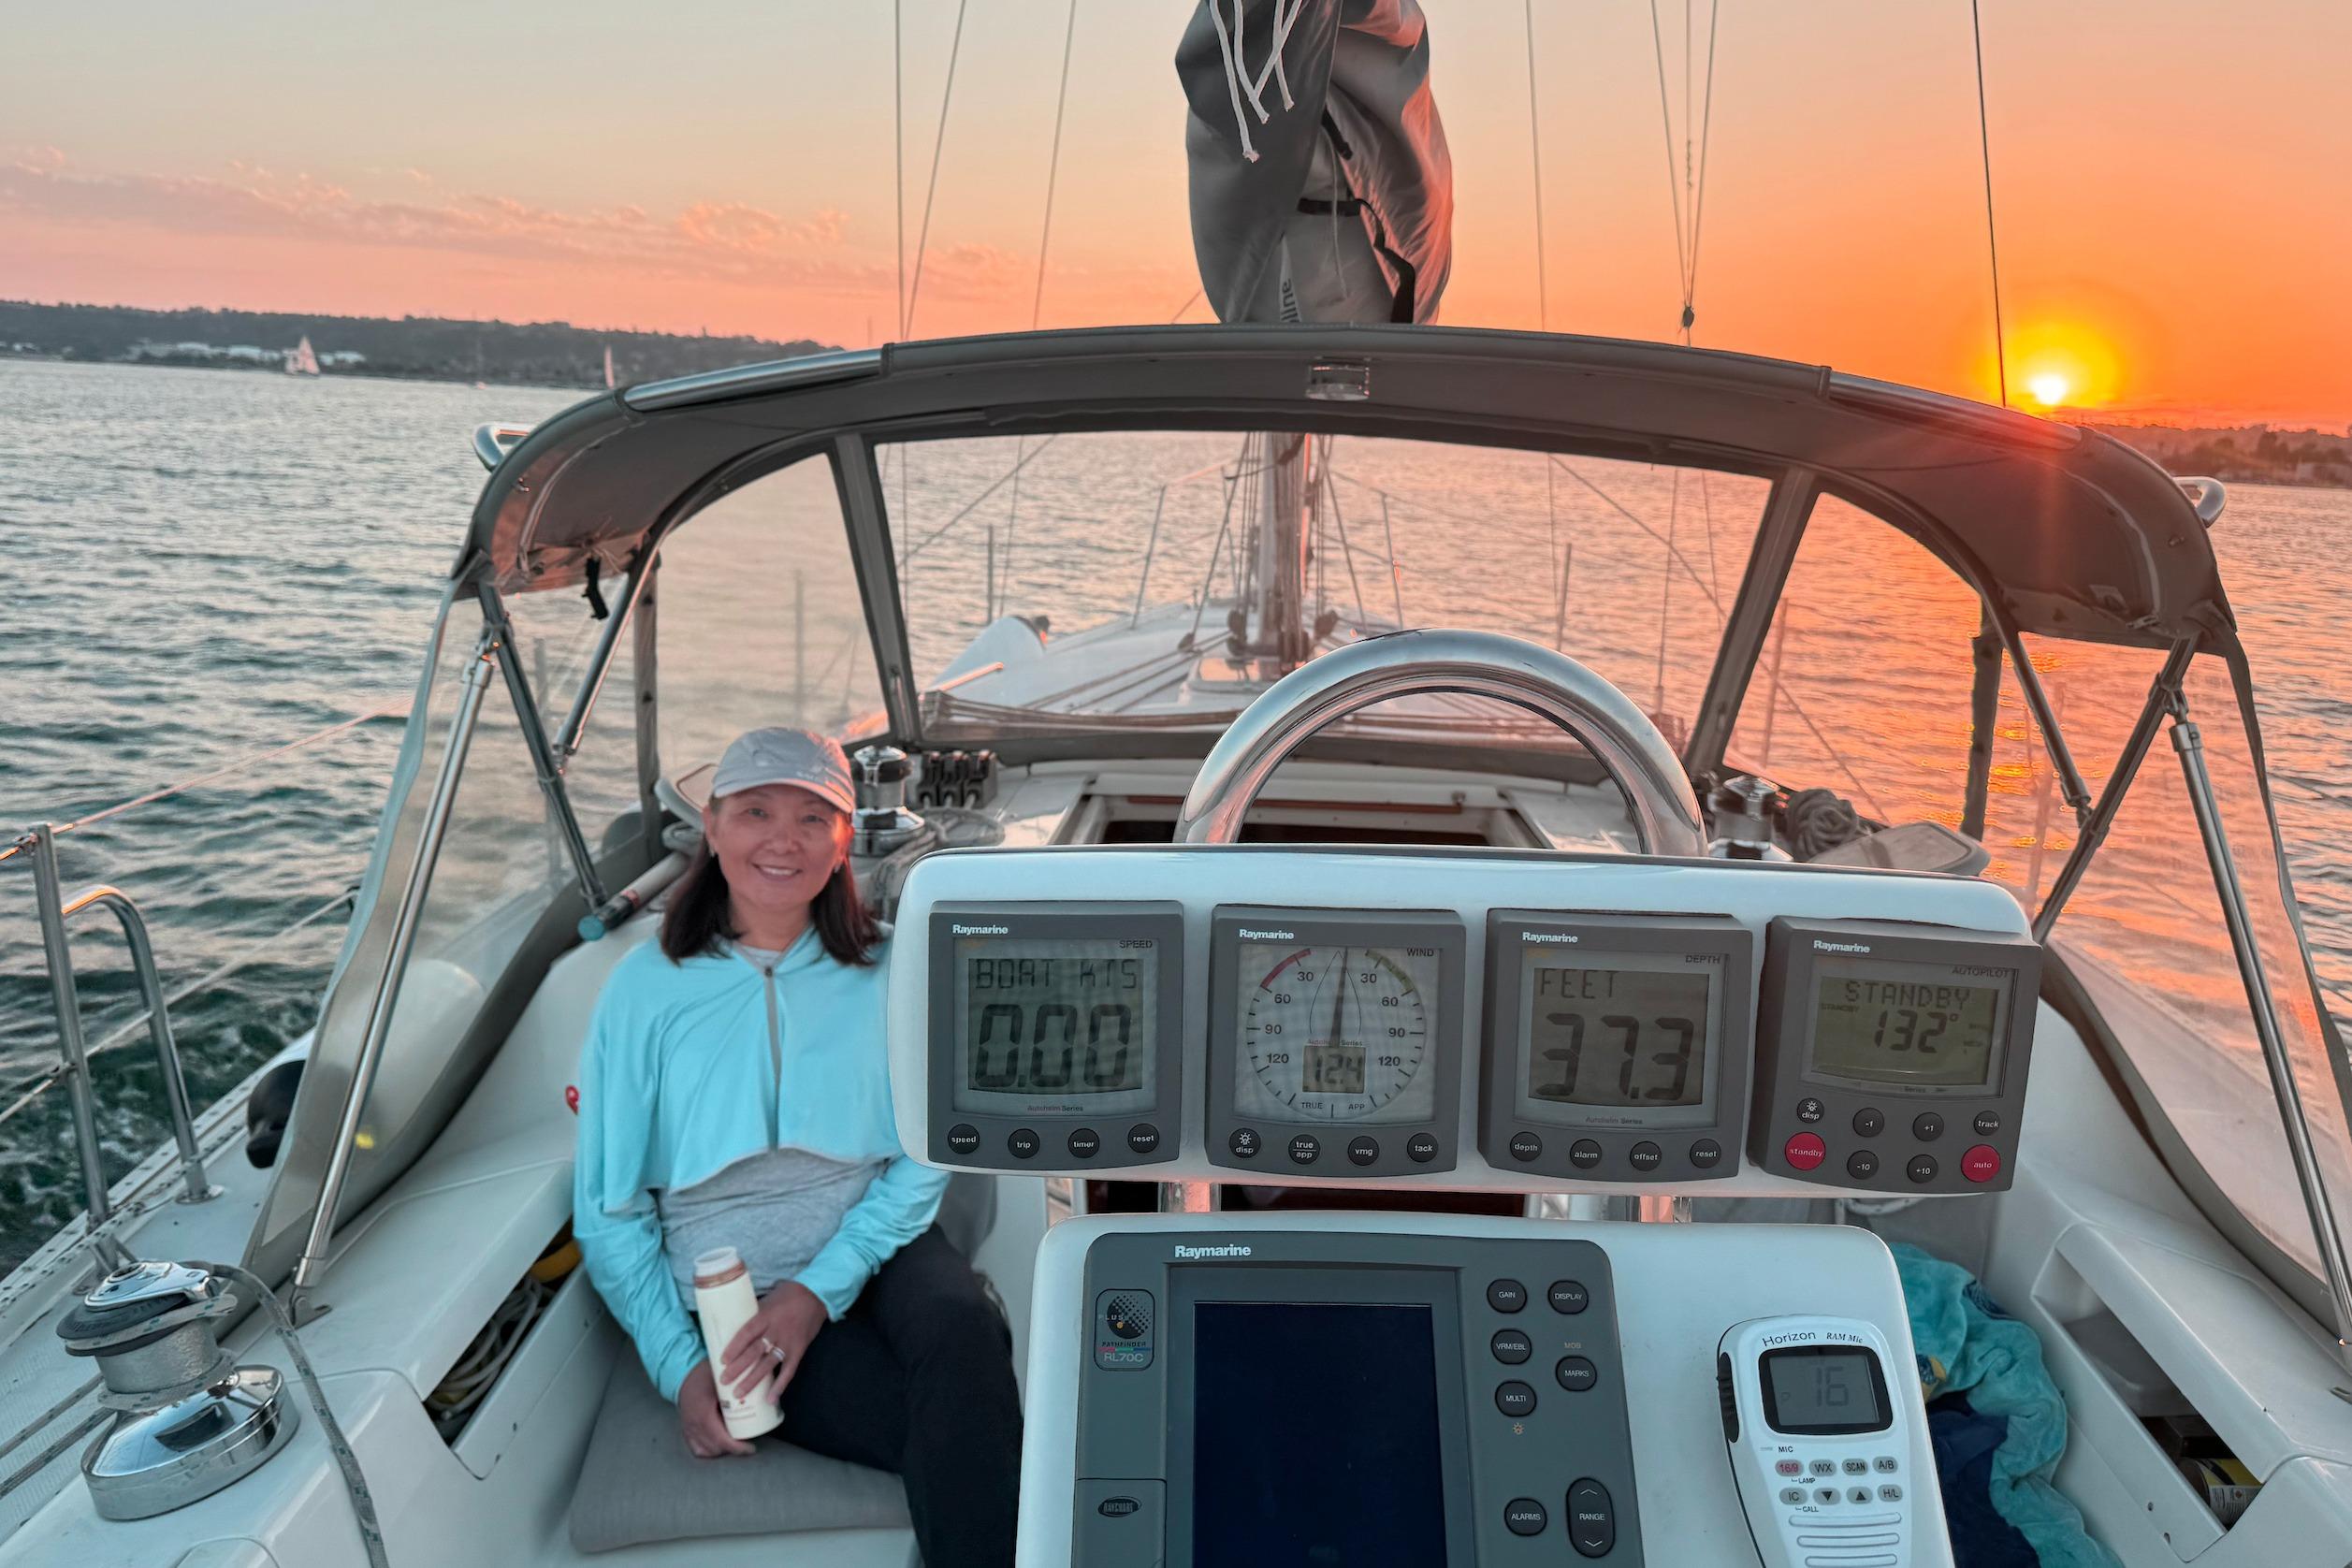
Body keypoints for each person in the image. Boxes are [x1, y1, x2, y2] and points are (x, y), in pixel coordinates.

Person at [572, 726, 1022, 1568]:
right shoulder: (642, 992)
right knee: (959, 1425)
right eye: (756, 812)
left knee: (961, 1330)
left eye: (813, 818)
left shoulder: (893, 967)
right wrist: (680, 1366)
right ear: (711, 828)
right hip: (729, 1289)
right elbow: (609, 1208)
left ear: (844, 839)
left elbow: (923, 1153)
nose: (784, 840)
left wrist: (816, 1292)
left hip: (879, 1239)